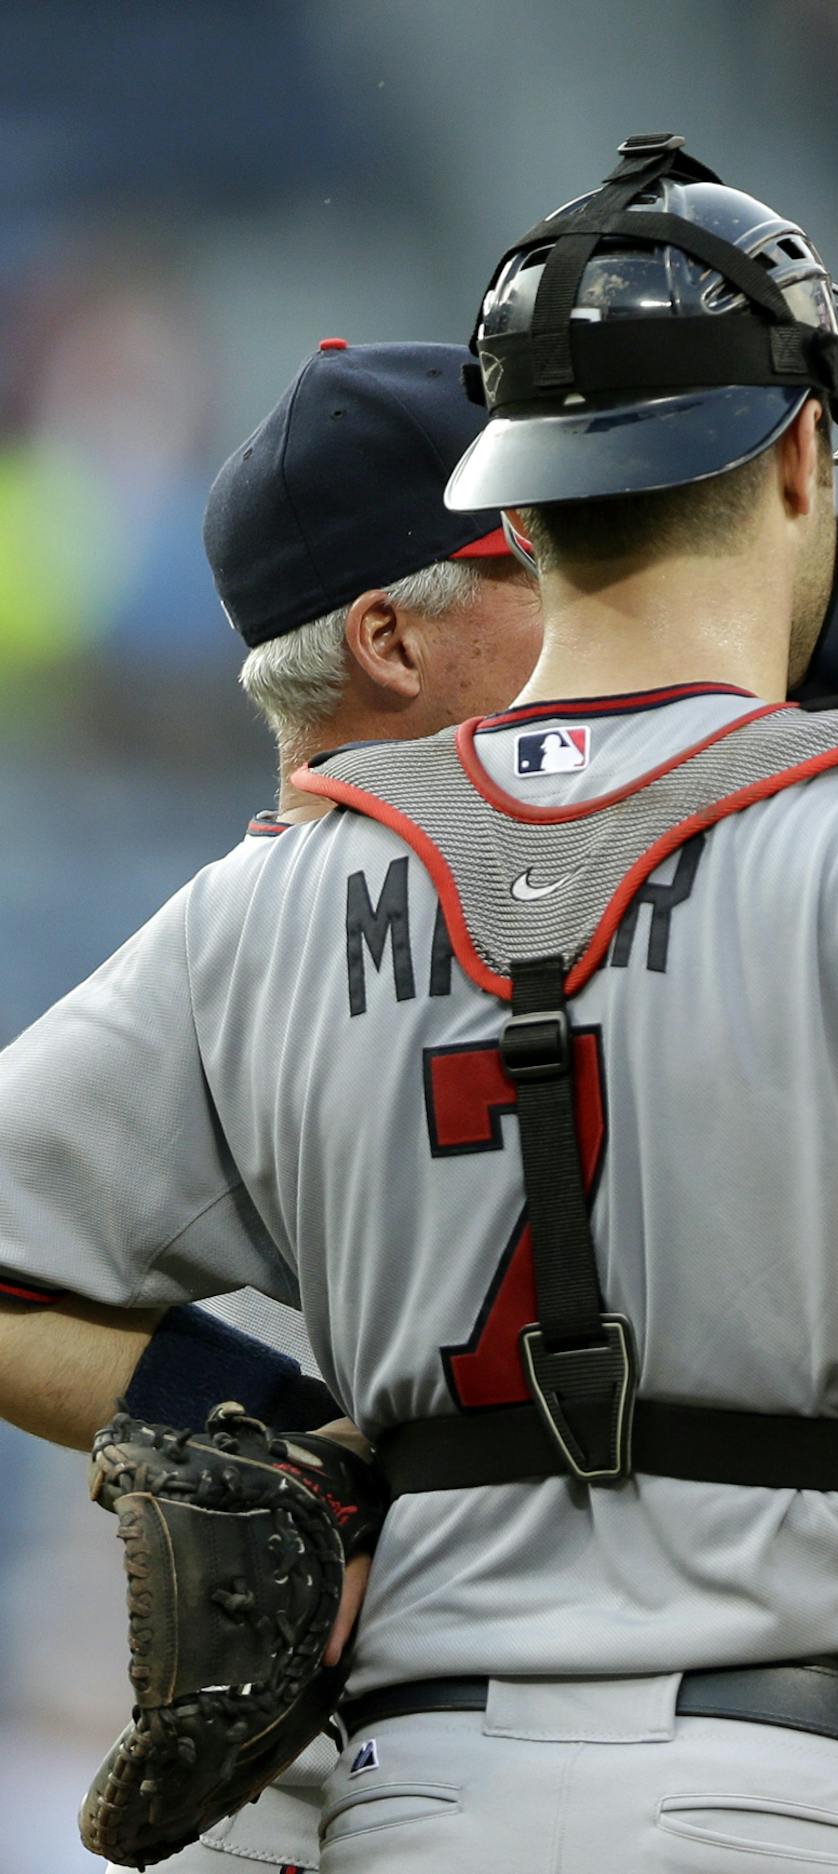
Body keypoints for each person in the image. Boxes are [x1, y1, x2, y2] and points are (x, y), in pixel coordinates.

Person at [0, 135, 838, 1874]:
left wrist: (275, 1432)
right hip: (824, 1779)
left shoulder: (275, 890)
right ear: (799, 455)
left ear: (522, 500)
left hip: (422, 1799)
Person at [0, 335, 541, 1874]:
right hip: (525, 1743)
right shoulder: (241, 932)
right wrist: (278, 1424)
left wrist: (275, 1433)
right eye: (537, 560)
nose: (594, 600)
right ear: (388, 638)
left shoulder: (224, 930)